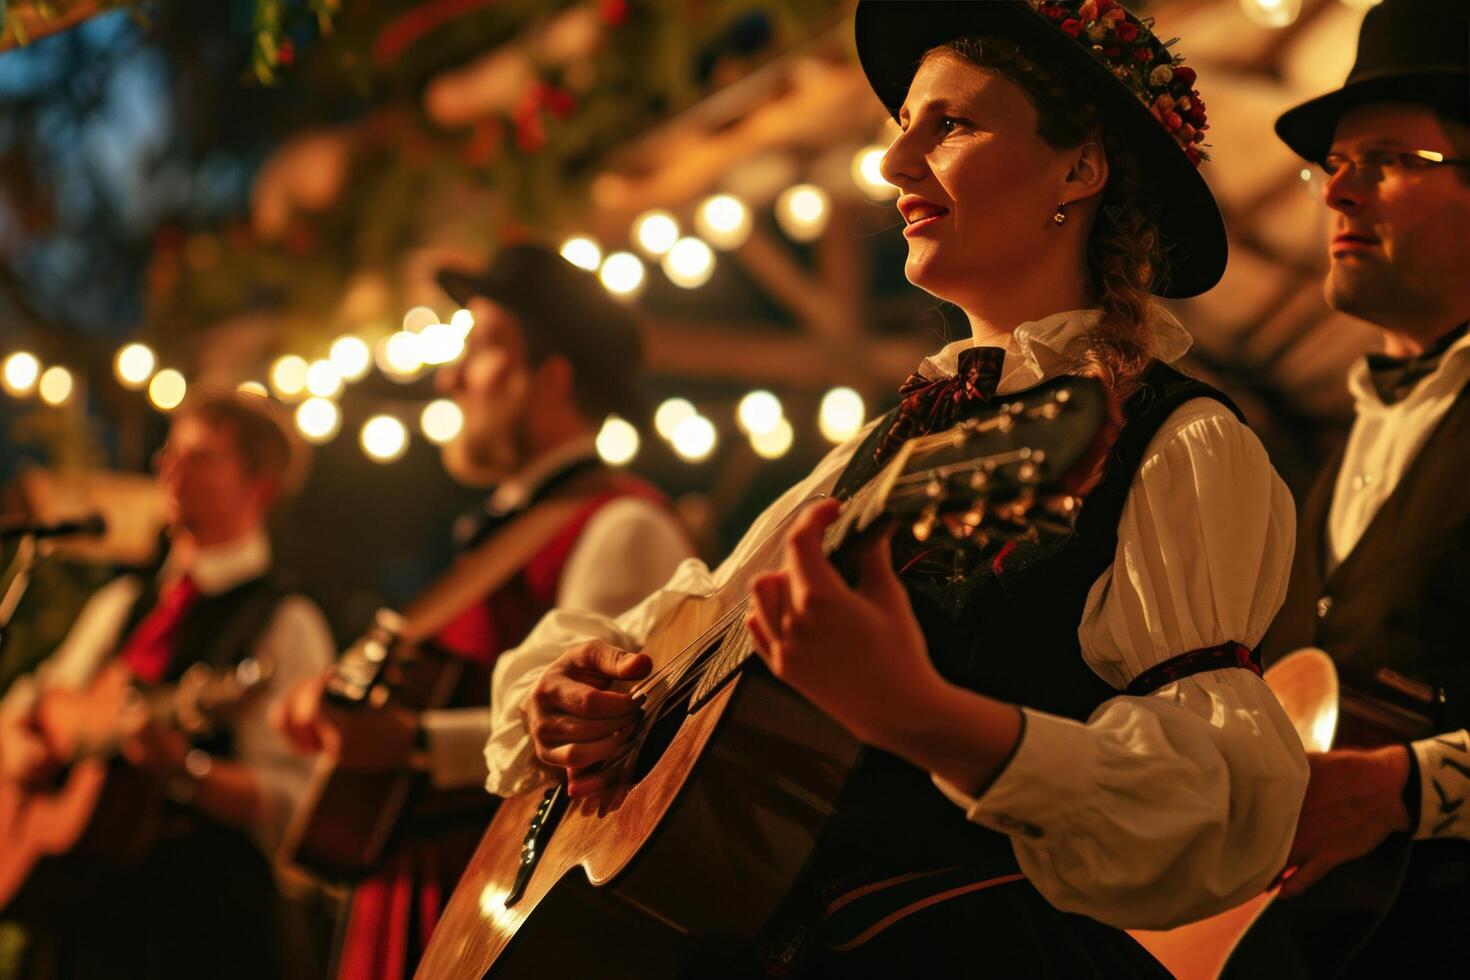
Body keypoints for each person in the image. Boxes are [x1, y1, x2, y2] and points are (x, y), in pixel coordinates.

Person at [483, 2, 1307, 975]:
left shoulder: (1181, 440)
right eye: (901, 126)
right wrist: (573, 688)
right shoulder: (889, 443)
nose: (893, 163)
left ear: (1081, 169)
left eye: (950, 125)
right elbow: (687, 619)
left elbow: (1221, 805)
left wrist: (924, 714)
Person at [274, 243, 691, 980]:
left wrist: (413, 743)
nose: (449, 377)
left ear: (551, 379)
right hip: (421, 895)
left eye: (482, 349)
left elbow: (611, 728)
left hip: (499, 911)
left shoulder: (622, 523)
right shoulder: (491, 538)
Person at [1228, 0, 1470, 975]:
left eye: (1384, 158)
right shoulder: (1343, 447)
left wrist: (1417, 784)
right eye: (1333, 163)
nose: (1338, 191)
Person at [0, 389, 334, 979]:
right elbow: (36, 700)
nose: (169, 469)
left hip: (199, 928)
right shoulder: (125, 601)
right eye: (169, 452)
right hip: (83, 918)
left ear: (260, 484)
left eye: (200, 455)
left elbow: (296, 801)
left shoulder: (286, 621)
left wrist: (187, 770)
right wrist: (21, 747)